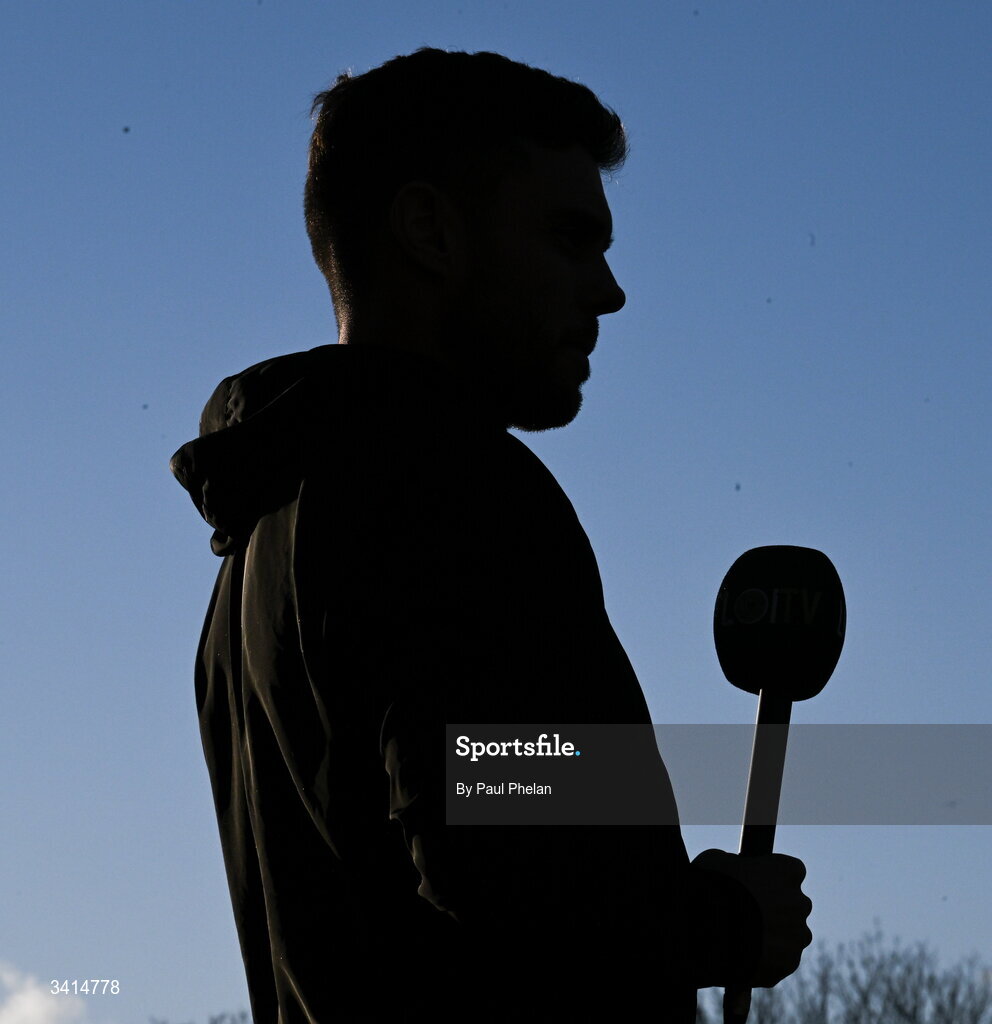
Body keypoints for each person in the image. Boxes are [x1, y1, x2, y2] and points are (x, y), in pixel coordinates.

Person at [171, 48, 811, 1023]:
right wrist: (717, 921)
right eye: (567, 240)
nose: (607, 292)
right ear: (431, 228)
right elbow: (501, 861)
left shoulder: (260, 542)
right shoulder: (446, 490)